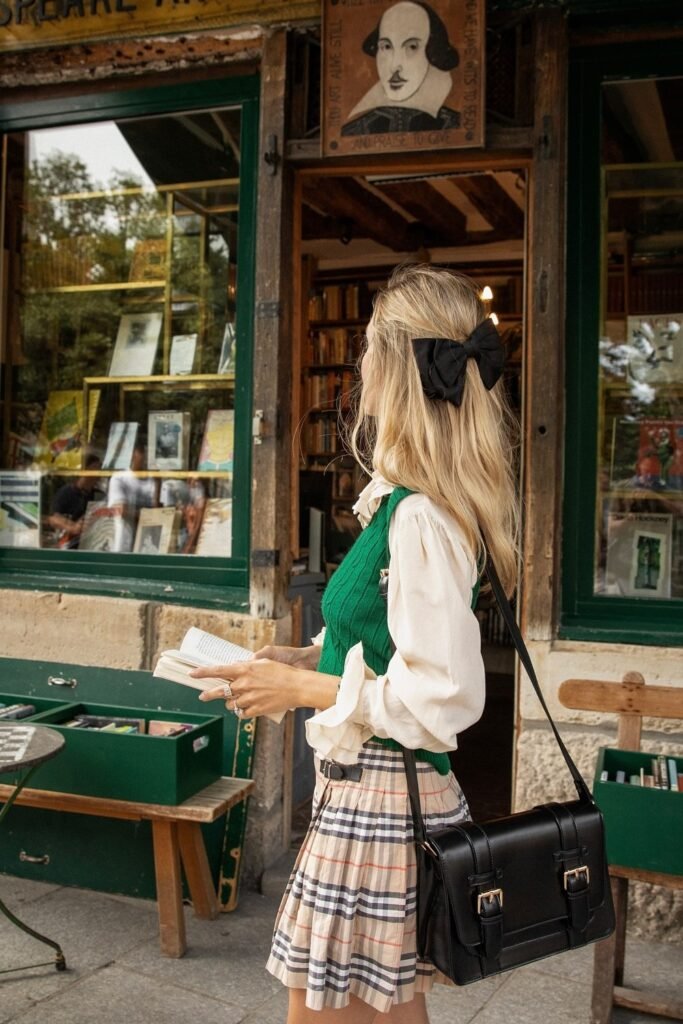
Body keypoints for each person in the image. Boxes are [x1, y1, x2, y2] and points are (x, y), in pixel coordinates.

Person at [194, 265, 519, 1023]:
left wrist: (303, 692)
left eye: (368, 348)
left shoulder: (417, 520)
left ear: (397, 365)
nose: (358, 365)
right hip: (370, 795)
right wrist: (307, 659)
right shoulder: (405, 506)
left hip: (383, 800)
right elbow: (391, 647)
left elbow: (440, 699)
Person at [341, 1, 460, 137]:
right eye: (386, 47)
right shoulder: (353, 131)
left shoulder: (455, 125)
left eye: (412, 47)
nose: (394, 66)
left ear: (433, 52)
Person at [47, 454, 103, 548]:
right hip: (68, 547)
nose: (100, 474)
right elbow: (53, 519)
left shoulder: (99, 495)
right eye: (96, 469)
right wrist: (73, 527)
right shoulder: (67, 492)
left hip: (91, 545)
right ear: (85, 470)